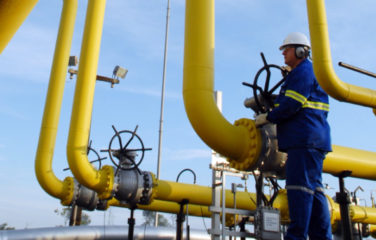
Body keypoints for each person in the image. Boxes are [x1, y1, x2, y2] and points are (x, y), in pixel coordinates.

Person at [255, 32, 332, 239]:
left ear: (300, 51)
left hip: (304, 140)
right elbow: (288, 101)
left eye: (286, 50)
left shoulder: (304, 71)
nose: (283, 54)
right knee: (314, 192)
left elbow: (291, 104)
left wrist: (268, 117)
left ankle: (296, 236)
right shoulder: (301, 73)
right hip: (311, 140)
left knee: (299, 189)